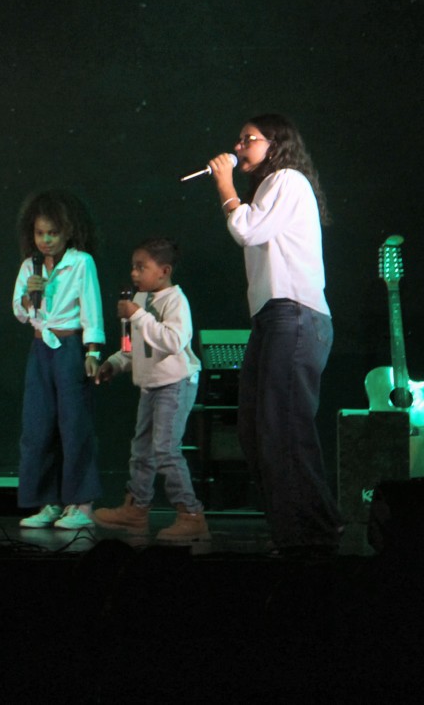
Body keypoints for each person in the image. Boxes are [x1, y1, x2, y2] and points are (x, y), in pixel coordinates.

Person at [206, 114, 341, 556]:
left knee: (283, 427)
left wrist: (224, 185)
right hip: (272, 318)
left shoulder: (288, 180)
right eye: (238, 139)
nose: (238, 146)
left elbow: (246, 230)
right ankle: (297, 531)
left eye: (248, 139)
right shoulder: (269, 187)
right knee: (254, 429)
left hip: (294, 313)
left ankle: (311, 534)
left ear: (276, 144)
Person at [92, 238, 209, 542]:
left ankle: (191, 514)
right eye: (133, 266)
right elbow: (136, 348)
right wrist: (115, 363)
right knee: (142, 450)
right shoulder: (141, 300)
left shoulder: (175, 301)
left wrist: (137, 315)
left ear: (164, 271)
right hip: (151, 385)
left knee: (166, 449)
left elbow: (173, 341)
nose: (134, 273)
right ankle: (136, 510)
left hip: (175, 383)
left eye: (141, 267)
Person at [12, 189, 105, 530]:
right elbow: (20, 312)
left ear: (67, 232)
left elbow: (91, 306)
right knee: (37, 426)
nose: (46, 240)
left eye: (53, 233)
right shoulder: (30, 266)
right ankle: (47, 501)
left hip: (70, 347)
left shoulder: (80, 262)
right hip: (40, 349)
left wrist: (92, 351)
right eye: (40, 233)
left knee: (74, 425)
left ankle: (81, 504)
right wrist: (28, 295)